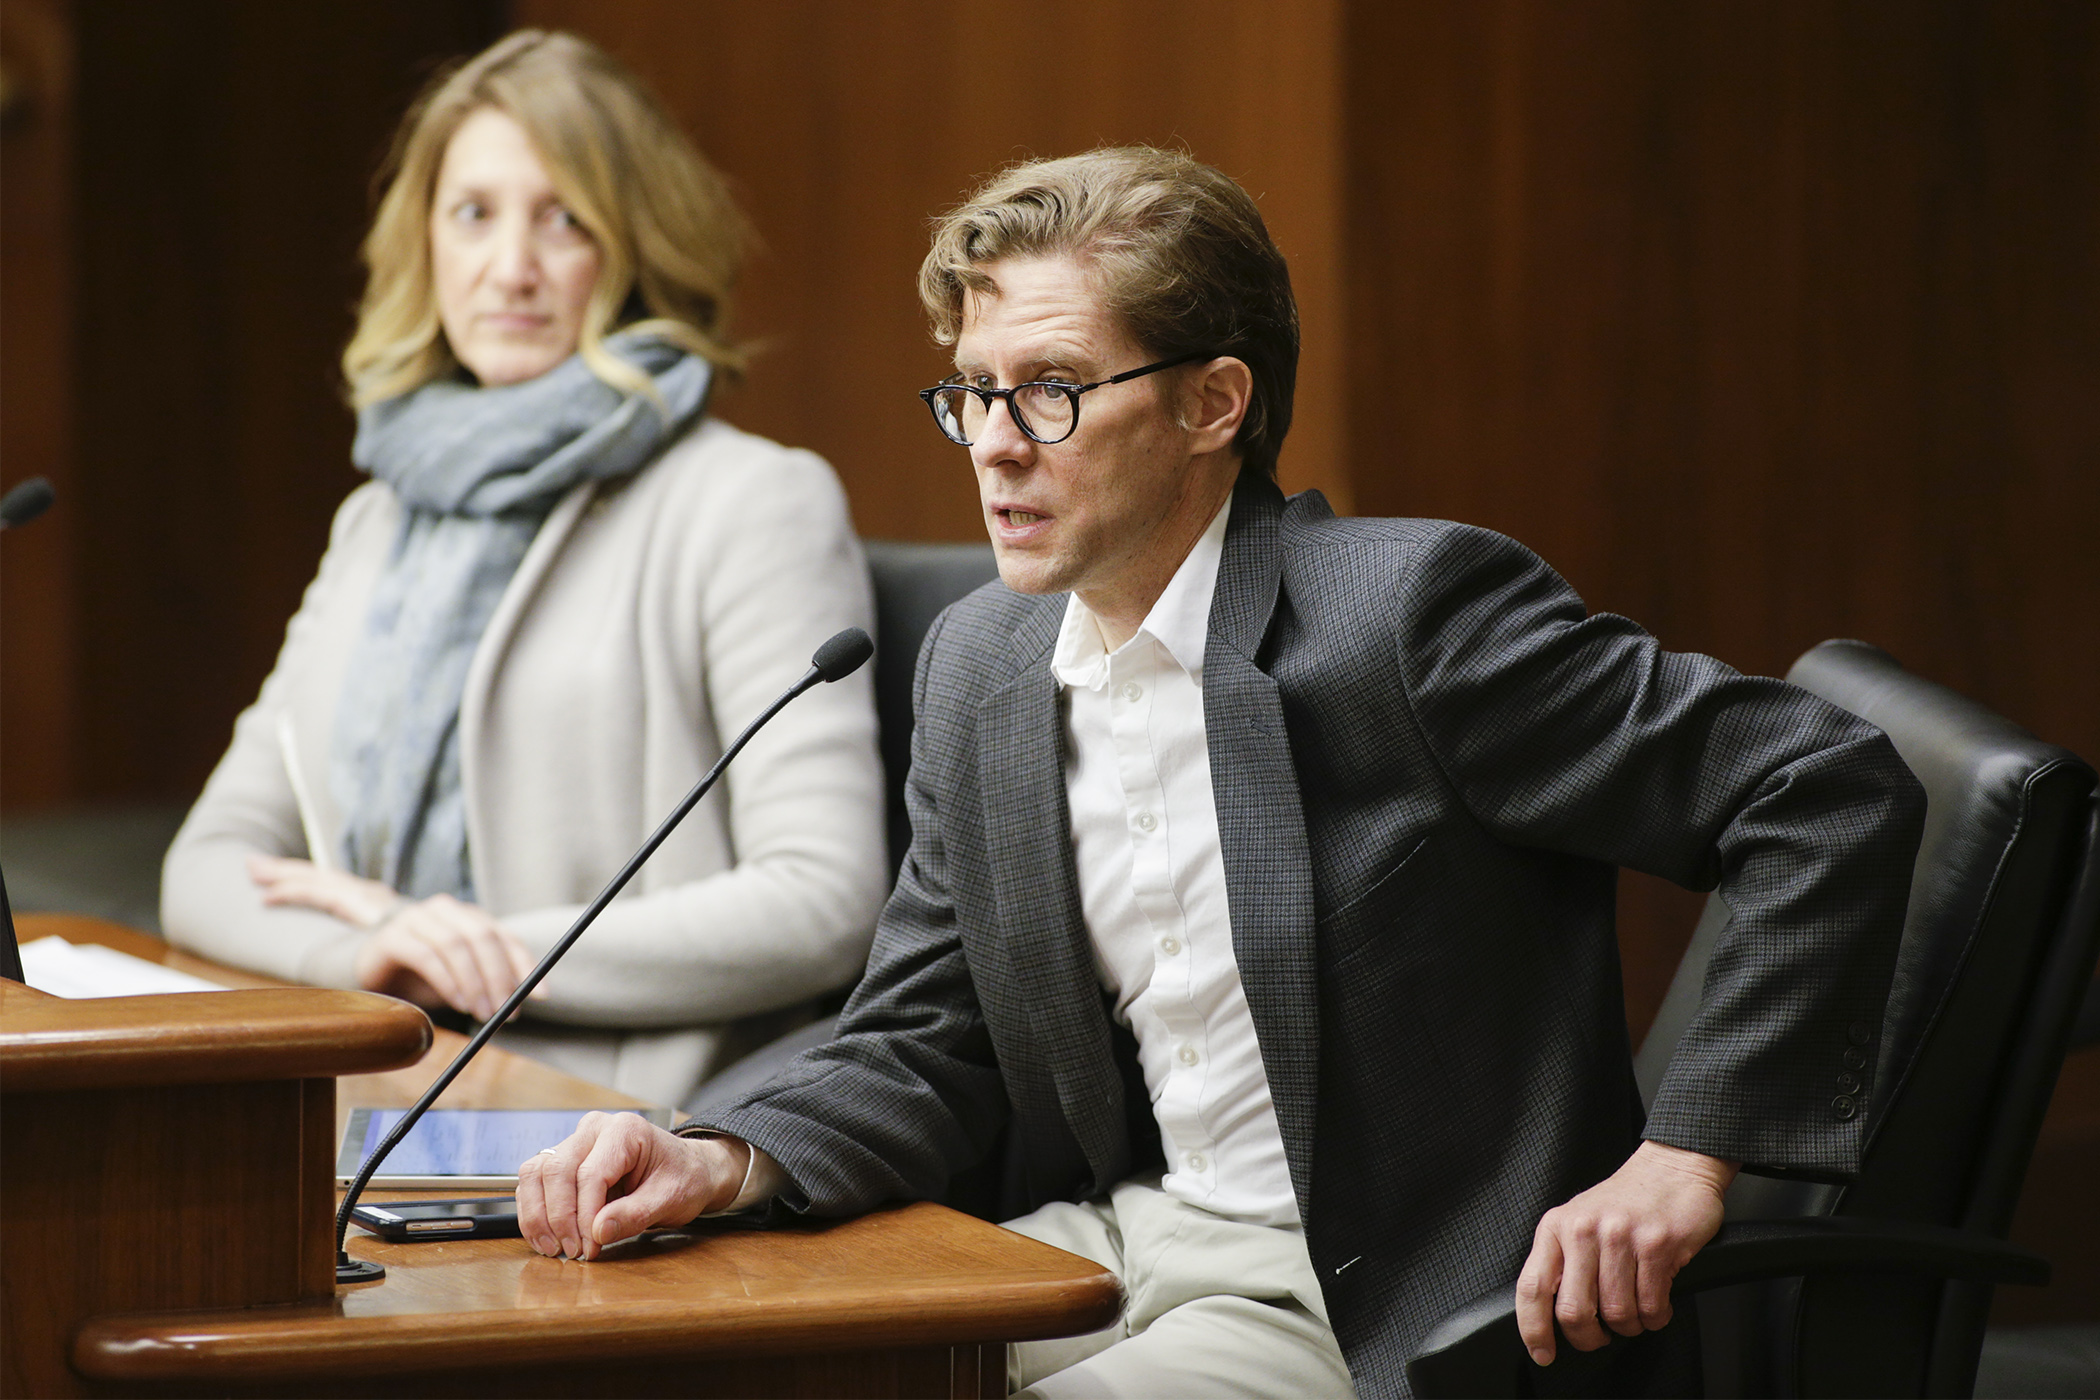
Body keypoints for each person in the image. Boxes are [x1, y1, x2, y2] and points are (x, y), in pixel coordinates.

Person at [515, 148, 1924, 1397]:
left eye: (1055, 390)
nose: (998, 445)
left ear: (1214, 405)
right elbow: (925, 1039)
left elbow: (1817, 787)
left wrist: (1687, 1163)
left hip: (1372, 1295)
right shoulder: (987, 667)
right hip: (1116, 1241)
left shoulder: (1407, 620)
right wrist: (726, 1155)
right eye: (974, 392)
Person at [160, 31, 887, 1108]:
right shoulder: (381, 516)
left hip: (592, 1128)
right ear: (428, 246)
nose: (512, 267)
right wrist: (373, 948)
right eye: (475, 214)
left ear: (634, 246)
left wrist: (477, 949)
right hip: (362, 1089)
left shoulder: (749, 500)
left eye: (564, 218)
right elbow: (206, 864)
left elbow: (825, 897)